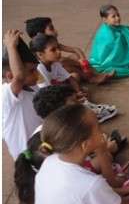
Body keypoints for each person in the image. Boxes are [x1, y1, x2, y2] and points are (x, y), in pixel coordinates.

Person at [29, 33, 118, 124]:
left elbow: (70, 78)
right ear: (40, 54)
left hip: (55, 94)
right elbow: (48, 98)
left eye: (58, 48)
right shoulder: (39, 69)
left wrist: (78, 91)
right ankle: (86, 116)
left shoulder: (55, 63)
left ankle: (86, 109)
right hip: (48, 104)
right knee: (72, 101)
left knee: (79, 90)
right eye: (53, 50)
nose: (59, 52)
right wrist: (72, 97)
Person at [25, 16, 115, 85]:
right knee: (67, 64)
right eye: (51, 28)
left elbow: (76, 50)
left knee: (74, 58)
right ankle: (91, 78)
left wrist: (84, 63)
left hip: (58, 71)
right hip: (55, 78)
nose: (55, 31)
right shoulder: (38, 52)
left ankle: (95, 74)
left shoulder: (52, 44)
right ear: (39, 35)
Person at [2, 30, 42, 160]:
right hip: (27, 157)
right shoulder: (6, 94)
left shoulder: (32, 87)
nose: (37, 74)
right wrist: (11, 46)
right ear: (10, 76)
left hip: (41, 147)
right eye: (32, 71)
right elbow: (19, 76)